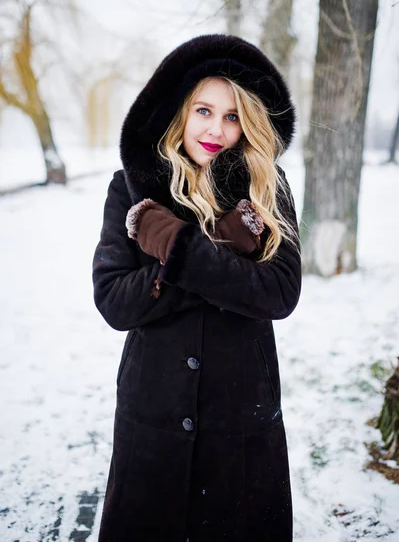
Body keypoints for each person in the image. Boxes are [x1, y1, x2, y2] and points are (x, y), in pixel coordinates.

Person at [92, 33, 302, 542]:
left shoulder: (267, 190)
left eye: (232, 116)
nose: (216, 129)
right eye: (203, 110)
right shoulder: (133, 188)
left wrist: (180, 251)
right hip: (153, 412)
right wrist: (216, 251)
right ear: (179, 111)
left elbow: (279, 293)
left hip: (241, 417)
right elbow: (115, 300)